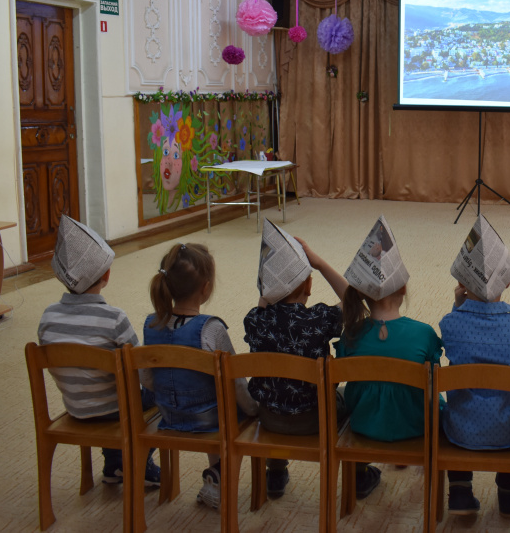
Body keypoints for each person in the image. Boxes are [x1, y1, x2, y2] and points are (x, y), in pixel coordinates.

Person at [242, 220, 379, 500]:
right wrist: (319, 263)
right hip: (317, 418)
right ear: (309, 284)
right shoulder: (320, 318)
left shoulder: (254, 321)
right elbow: (356, 304)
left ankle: (276, 471)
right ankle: (360, 474)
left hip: (270, 418)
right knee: (352, 396)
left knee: (276, 387)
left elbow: (264, 306)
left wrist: (268, 289)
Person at [37, 215, 161, 487]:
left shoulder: (47, 318)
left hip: (76, 406)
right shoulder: (114, 319)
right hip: (115, 411)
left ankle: (114, 465)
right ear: (106, 274)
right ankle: (141, 465)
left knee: (106, 386)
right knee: (159, 390)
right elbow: (142, 372)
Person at [141, 242, 258, 510]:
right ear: (205, 288)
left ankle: (215, 477)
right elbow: (236, 382)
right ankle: (218, 475)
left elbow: (147, 379)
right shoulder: (212, 329)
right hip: (209, 421)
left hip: (169, 416)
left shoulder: (151, 324)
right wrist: (253, 408)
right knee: (230, 405)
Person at [439, 215, 510, 519]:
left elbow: (454, 343)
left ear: (460, 282)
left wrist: (458, 304)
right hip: (508, 430)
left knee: (448, 409)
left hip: (461, 431)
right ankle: (509, 492)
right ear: (507, 281)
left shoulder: (450, 323)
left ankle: (459, 488)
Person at [334, 216, 442, 445]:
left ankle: (359, 474)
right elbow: (434, 385)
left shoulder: (350, 335)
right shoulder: (424, 334)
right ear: (403, 288)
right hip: (415, 426)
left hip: (364, 425)